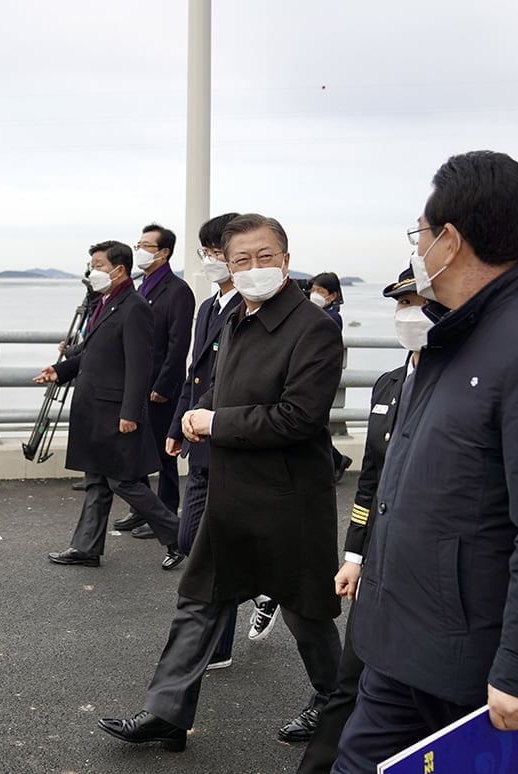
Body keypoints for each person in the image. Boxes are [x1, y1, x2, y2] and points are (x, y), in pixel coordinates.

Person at [332, 151, 518, 772]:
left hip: (470, 666)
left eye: (421, 235)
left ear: (450, 240)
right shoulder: (450, 336)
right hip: (401, 643)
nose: (418, 248)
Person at [97, 214, 344, 752]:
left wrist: (217, 423)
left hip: (289, 500)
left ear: (285, 257)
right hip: (231, 491)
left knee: (307, 614)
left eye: (264, 256)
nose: (253, 268)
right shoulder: (234, 317)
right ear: (227, 264)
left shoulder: (314, 327)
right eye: (240, 260)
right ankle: (166, 712)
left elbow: (299, 418)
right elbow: (223, 389)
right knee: (199, 598)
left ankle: (337, 703)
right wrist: (199, 413)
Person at [295, 267, 433, 774]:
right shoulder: (390, 384)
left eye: (419, 303)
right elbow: (370, 481)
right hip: (376, 565)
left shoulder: (460, 386)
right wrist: (354, 552)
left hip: (429, 570)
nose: (409, 314)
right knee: (349, 681)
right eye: (403, 304)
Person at [164, 212, 279, 671]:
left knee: (216, 547)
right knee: (193, 539)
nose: (211, 261)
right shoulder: (209, 307)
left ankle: (216, 646)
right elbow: (196, 377)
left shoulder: (250, 308)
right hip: (201, 439)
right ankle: (266, 587)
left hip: (232, 440)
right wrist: (178, 427)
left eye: (215, 253)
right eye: (209, 253)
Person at [35, 241, 183, 570]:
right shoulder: (106, 303)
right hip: (96, 411)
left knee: (123, 481)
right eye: (92, 265)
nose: (93, 271)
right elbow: (92, 354)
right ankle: (85, 548)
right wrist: (59, 371)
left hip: (116, 412)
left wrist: (131, 413)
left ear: (119, 269)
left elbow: (139, 365)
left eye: (99, 265)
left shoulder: (134, 307)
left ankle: (181, 538)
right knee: (98, 481)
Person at [114, 223, 195, 536]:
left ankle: (164, 515)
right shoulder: (139, 285)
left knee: (164, 455)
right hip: (137, 384)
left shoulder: (178, 290)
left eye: (147, 245)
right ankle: (141, 508)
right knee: (136, 449)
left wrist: (164, 386)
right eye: (138, 244)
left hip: (161, 386)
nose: (140, 250)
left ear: (164, 252)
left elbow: (178, 345)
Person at [308, 271, 352, 483]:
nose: (314, 294)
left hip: (321, 378)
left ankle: (336, 460)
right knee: (314, 426)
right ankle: (336, 461)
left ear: (332, 295)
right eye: (313, 290)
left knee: (314, 426)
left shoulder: (333, 317)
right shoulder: (318, 312)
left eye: (320, 291)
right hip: (313, 377)